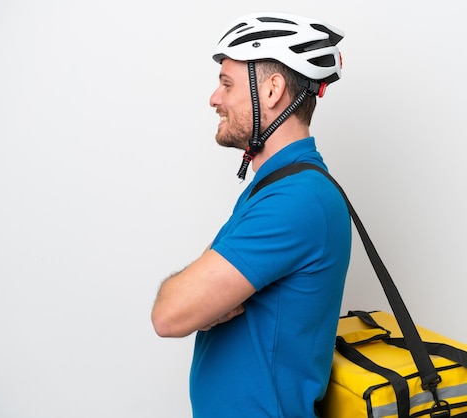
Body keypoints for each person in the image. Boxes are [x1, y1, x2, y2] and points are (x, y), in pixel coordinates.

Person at [151, 12, 351, 417]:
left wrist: (201, 300)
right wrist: (204, 300)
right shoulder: (277, 185)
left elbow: (169, 314)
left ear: (273, 90)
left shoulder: (296, 199)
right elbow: (193, 301)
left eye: (227, 84)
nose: (214, 98)